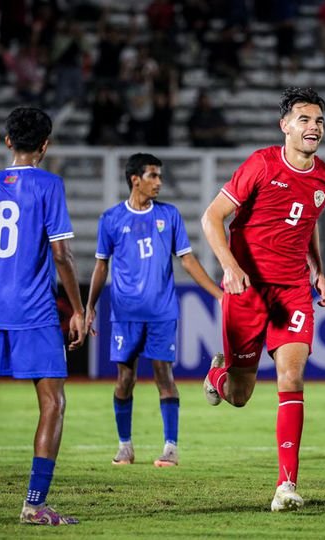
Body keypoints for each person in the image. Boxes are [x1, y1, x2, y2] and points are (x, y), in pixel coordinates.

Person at [200, 87, 325, 512]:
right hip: (246, 290)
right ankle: (218, 378)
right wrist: (229, 266)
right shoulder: (261, 164)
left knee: (291, 378)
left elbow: (309, 222)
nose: (312, 127)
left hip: (293, 291)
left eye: (318, 121)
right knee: (240, 396)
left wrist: (318, 272)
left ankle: (286, 485)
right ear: (285, 126)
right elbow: (212, 217)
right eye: (304, 119)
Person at [0, 107, 86, 526]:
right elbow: (61, 254)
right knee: (53, 401)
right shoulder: (50, 185)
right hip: (34, 309)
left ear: (7, 140)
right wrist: (79, 309)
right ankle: (33, 504)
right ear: (45, 146)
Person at [85, 153, 223, 468]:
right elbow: (101, 266)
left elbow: (187, 261)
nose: (159, 182)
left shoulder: (169, 216)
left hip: (161, 312)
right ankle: (125, 447)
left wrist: (218, 294)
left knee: (164, 374)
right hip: (125, 313)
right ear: (135, 179)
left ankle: (170, 448)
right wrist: (89, 307)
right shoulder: (111, 219)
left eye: (159, 176)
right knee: (125, 378)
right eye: (153, 176)